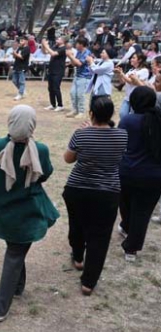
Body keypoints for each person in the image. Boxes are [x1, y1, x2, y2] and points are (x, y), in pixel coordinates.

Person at [0, 105, 59, 322]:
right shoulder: (40, 150)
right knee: (15, 254)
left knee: (16, 247)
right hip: (27, 213)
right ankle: (0, 308)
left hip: (3, 210)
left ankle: (18, 287)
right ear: (32, 125)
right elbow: (45, 174)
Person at [62, 97, 127, 295]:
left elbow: (68, 159)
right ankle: (88, 282)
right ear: (111, 115)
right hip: (107, 192)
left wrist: (83, 133)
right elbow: (120, 158)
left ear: (91, 114)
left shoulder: (81, 134)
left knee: (77, 224)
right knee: (100, 236)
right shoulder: (122, 135)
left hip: (77, 189)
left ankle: (78, 257)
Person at [118, 87, 161, 262]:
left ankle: (126, 226)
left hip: (127, 172)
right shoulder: (158, 120)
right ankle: (131, 249)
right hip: (154, 176)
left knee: (125, 203)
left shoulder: (128, 120)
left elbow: (120, 145)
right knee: (142, 213)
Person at [114, 52, 150, 118]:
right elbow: (123, 81)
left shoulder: (144, 71)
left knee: (133, 116)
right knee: (122, 114)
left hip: (137, 99)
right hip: (127, 98)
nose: (131, 59)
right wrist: (119, 74)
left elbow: (132, 82)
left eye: (133, 58)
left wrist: (122, 74)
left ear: (139, 60)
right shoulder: (131, 70)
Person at [65, 38, 93, 118]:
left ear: (81, 44)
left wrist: (70, 56)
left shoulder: (87, 53)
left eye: (77, 43)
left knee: (80, 94)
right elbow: (74, 64)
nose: (75, 45)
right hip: (77, 75)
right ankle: (75, 109)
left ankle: (81, 111)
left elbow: (80, 63)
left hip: (84, 76)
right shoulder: (79, 52)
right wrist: (71, 58)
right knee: (73, 93)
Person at [42, 37, 67, 112]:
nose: (56, 40)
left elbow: (53, 54)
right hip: (51, 70)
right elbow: (45, 52)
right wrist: (43, 45)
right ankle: (53, 104)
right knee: (50, 88)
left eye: (58, 39)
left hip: (58, 71)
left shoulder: (63, 49)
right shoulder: (55, 47)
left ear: (63, 41)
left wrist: (46, 46)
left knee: (56, 88)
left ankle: (60, 105)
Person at [11, 36, 30, 101]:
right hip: (16, 66)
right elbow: (15, 56)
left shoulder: (27, 48)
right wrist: (14, 52)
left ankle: (20, 94)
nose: (20, 42)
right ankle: (22, 90)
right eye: (20, 41)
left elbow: (22, 57)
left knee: (21, 81)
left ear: (26, 41)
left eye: (22, 40)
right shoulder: (19, 48)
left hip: (23, 67)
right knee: (14, 80)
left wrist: (15, 54)